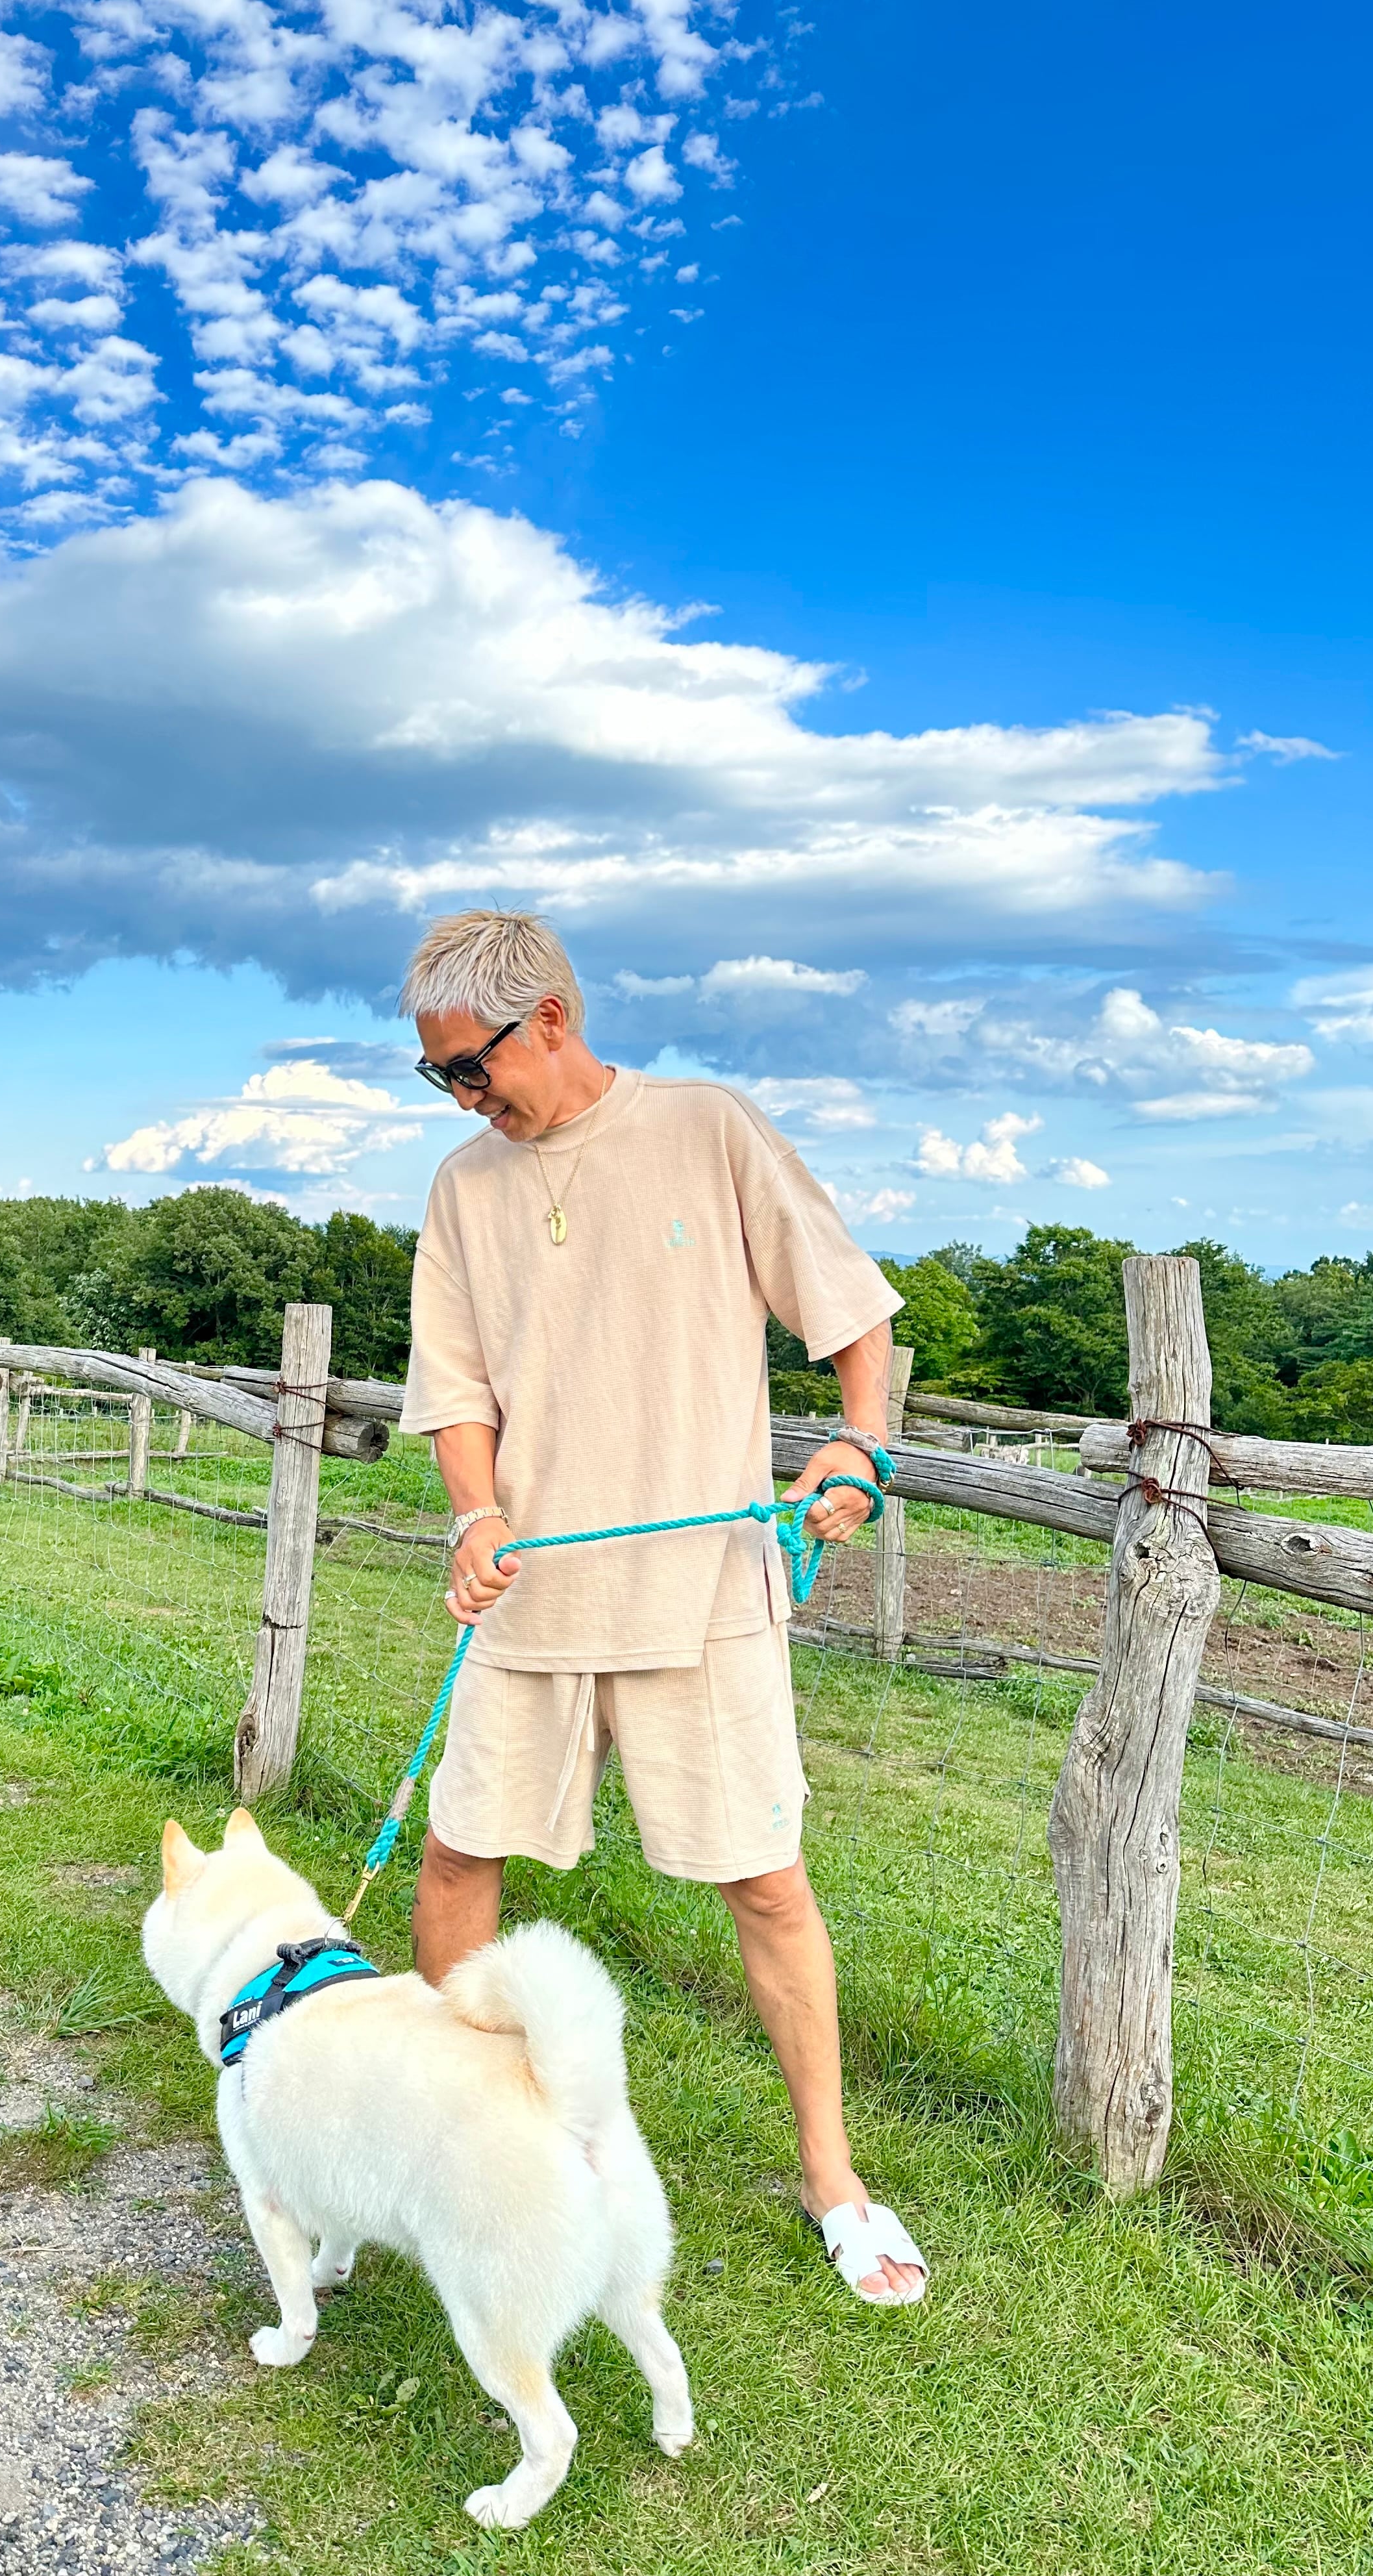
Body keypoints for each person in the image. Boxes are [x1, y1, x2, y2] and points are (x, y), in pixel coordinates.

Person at [397, 908, 928, 2305]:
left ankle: (833, 2178)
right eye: (441, 1079)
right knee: (457, 1864)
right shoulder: (462, 1190)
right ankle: (469, 2145)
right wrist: (479, 1515)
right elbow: (456, 1391)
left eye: (471, 1068)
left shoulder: (707, 1128)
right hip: (529, 1601)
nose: (463, 1098)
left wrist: (858, 1450)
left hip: (704, 1599)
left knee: (767, 1883)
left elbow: (853, 1317)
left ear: (552, 1020)